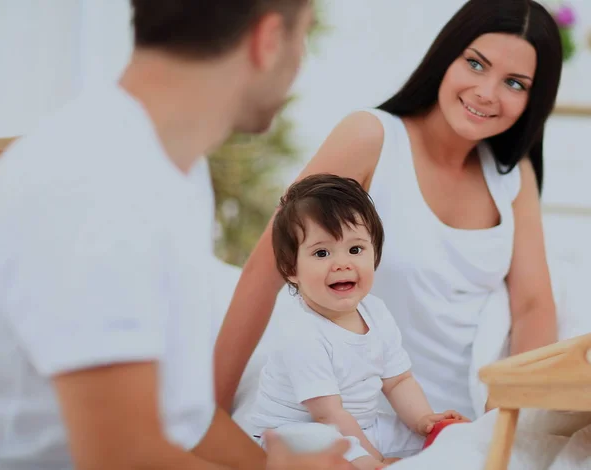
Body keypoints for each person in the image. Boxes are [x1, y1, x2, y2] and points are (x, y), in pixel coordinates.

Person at [0, 1, 354, 469]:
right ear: (267, 40)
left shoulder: (172, 167)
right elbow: (120, 459)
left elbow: (186, 420)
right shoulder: (98, 184)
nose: (301, 61)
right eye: (301, 36)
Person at [215, 0, 562, 422]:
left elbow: (533, 307)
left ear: (534, 99)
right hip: (354, 418)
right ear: (446, 57)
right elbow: (266, 268)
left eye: (515, 83)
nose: (486, 93)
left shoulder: (512, 176)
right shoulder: (371, 139)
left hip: (466, 420)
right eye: (475, 64)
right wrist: (211, 413)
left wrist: (504, 421)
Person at [249, 174, 468, 470]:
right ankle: (375, 464)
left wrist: (422, 420)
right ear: (291, 268)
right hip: (297, 432)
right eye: (322, 252)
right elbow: (328, 415)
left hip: (362, 426)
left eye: (355, 249)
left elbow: (398, 380)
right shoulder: (300, 331)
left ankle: (415, 453)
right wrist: (372, 457)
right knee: (322, 444)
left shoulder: (375, 312)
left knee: (442, 439)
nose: (342, 263)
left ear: (374, 253)